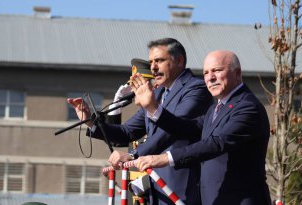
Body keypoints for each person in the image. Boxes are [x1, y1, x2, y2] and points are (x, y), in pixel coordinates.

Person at [68, 38, 213, 205]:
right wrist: (89, 121)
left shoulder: (196, 88)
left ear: (179, 60)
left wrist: (133, 155)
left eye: (159, 61)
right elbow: (127, 132)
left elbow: (174, 131)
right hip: (156, 187)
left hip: (182, 186)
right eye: (151, 62)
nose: (153, 67)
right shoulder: (158, 94)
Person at [132, 50, 272, 205]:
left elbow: (216, 143)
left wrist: (165, 158)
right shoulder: (216, 109)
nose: (210, 78)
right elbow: (186, 128)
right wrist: (152, 108)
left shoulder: (247, 107)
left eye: (217, 71)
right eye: (206, 73)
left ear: (237, 73)